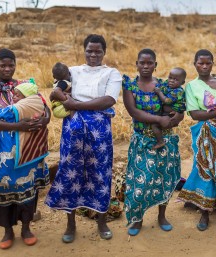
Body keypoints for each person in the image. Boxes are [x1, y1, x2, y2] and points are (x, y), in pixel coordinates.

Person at [45, 34, 122, 243]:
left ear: (104, 52)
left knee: (101, 172)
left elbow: (108, 100)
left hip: (100, 130)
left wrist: (74, 104)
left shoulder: (112, 73)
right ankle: (70, 224)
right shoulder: (73, 71)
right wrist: (63, 98)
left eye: (98, 51)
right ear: (84, 51)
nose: (93, 54)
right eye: (90, 50)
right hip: (73, 129)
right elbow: (55, 92)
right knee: (71, 172)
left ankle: (102, 221)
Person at [0, 48, 50, 249]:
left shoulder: (27, 86)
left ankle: (26, 228)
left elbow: (44, 109)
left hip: (28, 147)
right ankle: (7, 231)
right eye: (3, 65)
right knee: (2, 186)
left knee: (28, 187)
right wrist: (17, 126)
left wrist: (43, 121)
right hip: (2, 150)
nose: (7, 69)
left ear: (15, 65)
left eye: (11, 65)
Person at [122, 48, 185, 236]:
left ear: (155, 65)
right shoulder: (130, 86)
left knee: (164, 180)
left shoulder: (165, 86)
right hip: (142, 140)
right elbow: (133, 112)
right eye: (142, 62)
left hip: (165, 141)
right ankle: (137, 219)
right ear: (137, 64)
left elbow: (176, 108)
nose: (146, 66)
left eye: (150, 63)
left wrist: (177, 117)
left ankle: (162, 216)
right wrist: (159, 120)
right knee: (139, 183)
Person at [177, 49, 216, 231]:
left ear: (213, 63)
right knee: (205, 170)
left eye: (208, 63)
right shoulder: (191, 86)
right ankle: (204, 212)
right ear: (195, 64)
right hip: (205, 134)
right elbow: (195, 114)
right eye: (200, 63)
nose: (204, 66)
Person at [150, 67, 187, 150]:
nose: (171, 81)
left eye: (176, 79)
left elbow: (167, 101)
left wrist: (159, 92)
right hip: (167, 113)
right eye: (170, 78)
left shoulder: (178, 91)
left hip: (170, 115)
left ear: (182, 82)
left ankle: (160, 141)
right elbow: (162, 85)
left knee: (154, 125)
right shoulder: (168, 84)